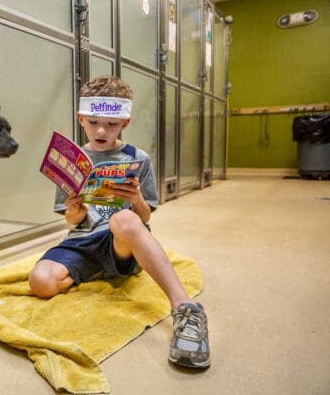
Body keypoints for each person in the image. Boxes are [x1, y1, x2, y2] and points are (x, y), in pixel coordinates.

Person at [29, 75, 210, 369]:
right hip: (82, 242)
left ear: (124, 123)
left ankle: (185, 307)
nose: (101, 130)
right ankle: (95, 271)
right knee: (40, 281)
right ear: (81, 119)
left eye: (111, 124)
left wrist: (136, 198)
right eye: (93, 122)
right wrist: (75, 210)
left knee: (124, 217)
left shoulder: (137, 158)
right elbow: (70, 221)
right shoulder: (71, 160)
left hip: (120, 242)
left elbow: (145, 217)